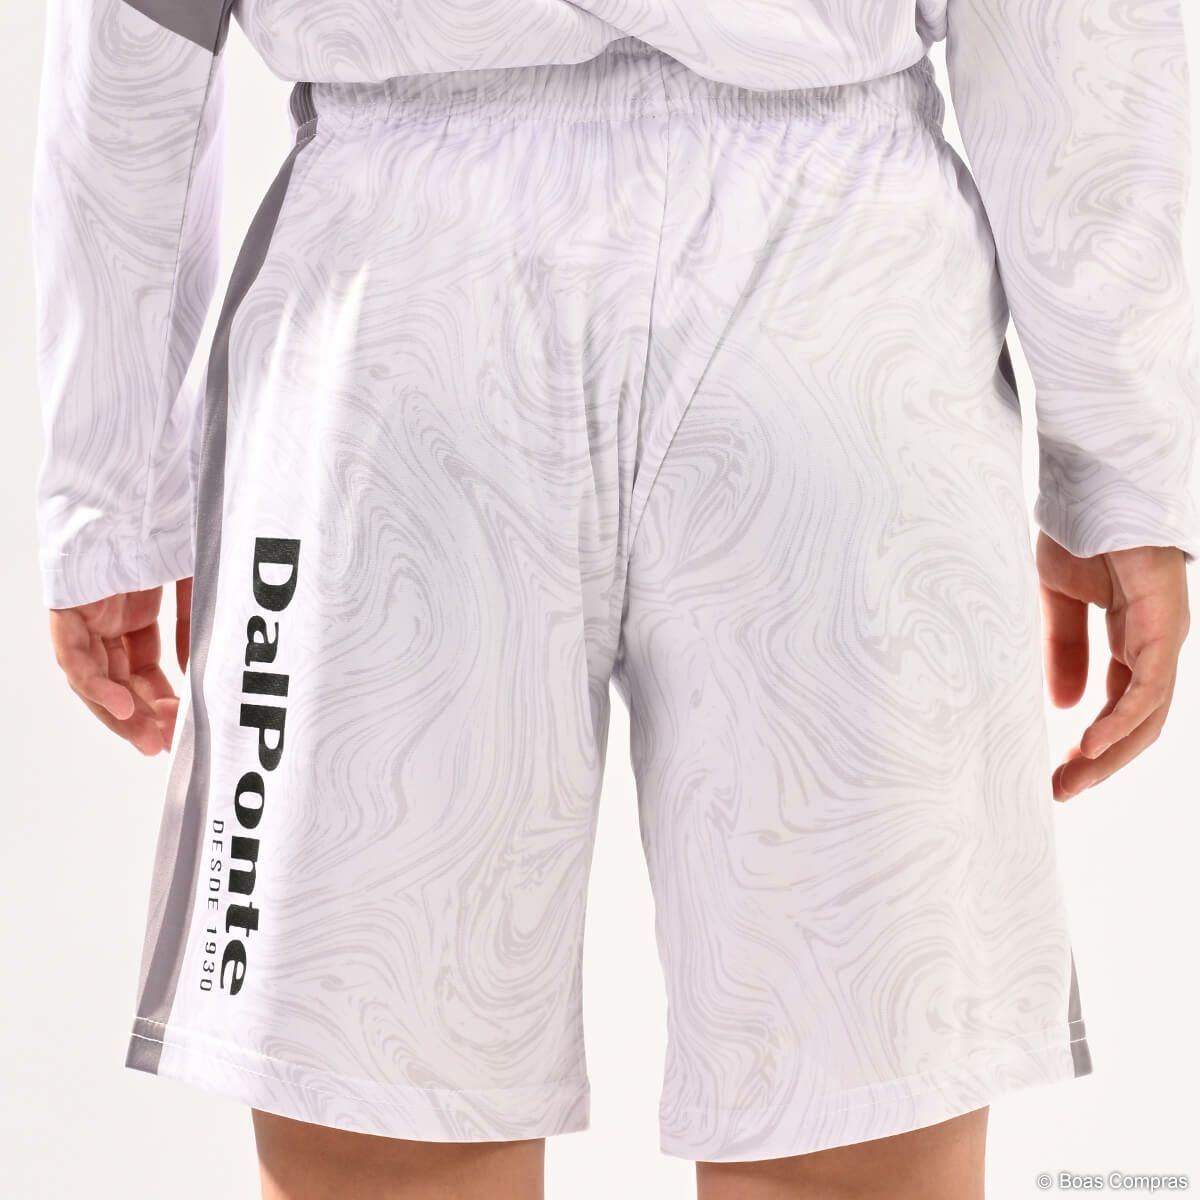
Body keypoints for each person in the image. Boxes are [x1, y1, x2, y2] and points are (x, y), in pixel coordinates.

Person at [30, 1, 1196, 1197]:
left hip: (402, 311)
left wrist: (108, 481)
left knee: (380, 1136)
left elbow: (137, 23)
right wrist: (1119, 467)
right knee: (855, 1133)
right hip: (840, 300)